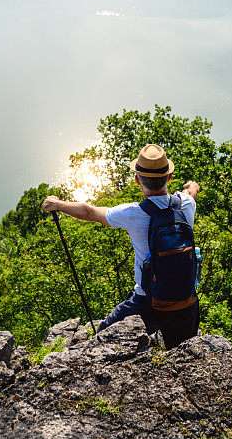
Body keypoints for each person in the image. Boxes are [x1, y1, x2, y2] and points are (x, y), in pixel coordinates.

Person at [41, 143, 200, 349]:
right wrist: (192, 187)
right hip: (185, 301)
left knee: (104, 335)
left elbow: (89, 212)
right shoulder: (186, 204)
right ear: (168, 177)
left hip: (146, 303)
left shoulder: (132, 214)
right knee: (182, 353)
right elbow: (190, 193)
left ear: (137, 180)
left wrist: (57, 204)